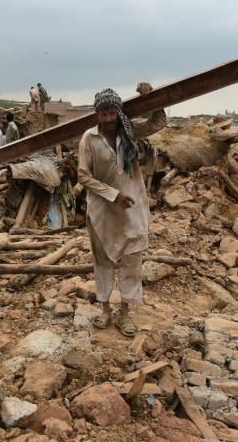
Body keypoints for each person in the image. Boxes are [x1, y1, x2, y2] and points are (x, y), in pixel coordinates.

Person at [77, 88, 167, 337]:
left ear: (117, 111)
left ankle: (125, 313)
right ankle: (105, 310)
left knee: (131, 262)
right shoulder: (89, 138)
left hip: (132, 208)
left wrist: (152, 99)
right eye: (103, 112)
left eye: (112, 111)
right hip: (102, 210)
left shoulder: (130, 131)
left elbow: (159, 122)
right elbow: (83, 175)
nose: (108, 117)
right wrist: (113, 195)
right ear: (97, 114)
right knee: (103, 262)